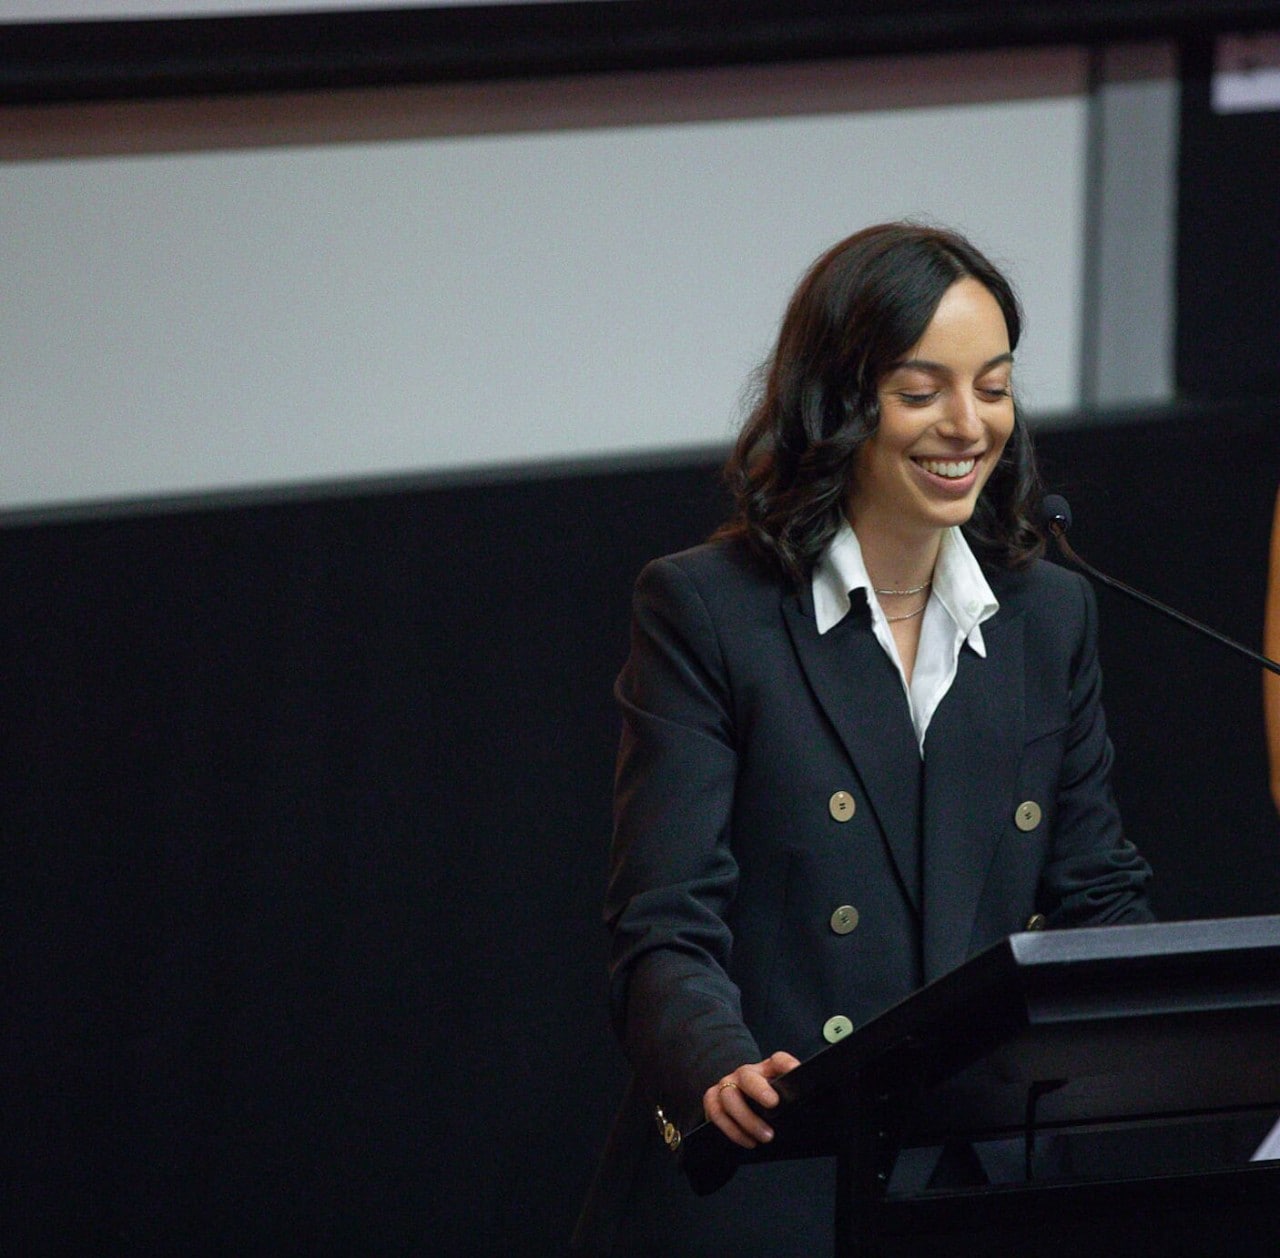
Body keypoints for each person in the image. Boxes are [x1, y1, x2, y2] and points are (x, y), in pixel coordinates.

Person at [573, 223, 1154, 1256]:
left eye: (993, 385)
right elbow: (664, 919)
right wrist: (716, 1062)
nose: (966, 425)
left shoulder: (1047, 616)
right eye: (921, 389)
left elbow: (1093, 894)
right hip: (774, 1180)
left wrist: (1173, 1023)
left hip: (981, 1188)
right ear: (837, 402)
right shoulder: (707, 610)